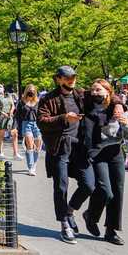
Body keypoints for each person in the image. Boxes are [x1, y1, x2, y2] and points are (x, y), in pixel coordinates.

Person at [38, 66, 96, 244]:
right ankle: (64, 223)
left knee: (88, 185)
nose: (72, 80)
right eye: (68, 77)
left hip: (80, 148)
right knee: (61, 187)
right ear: (59, 79)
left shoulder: (81, 94)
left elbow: (105, 92)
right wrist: (64, 118)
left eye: (74, 77)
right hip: (60, 148)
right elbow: (41, 121)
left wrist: (118, 104)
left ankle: (70, 210)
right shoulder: (49, 98)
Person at [80, 79, 128, 245]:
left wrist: (125, 125)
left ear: (108, 91)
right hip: (97, 153)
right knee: (105, 190)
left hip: (115, 153)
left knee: (117, 192)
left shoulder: (118, 109)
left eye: (98, 90)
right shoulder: (88, 107)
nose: (95, 93)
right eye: (93, 90)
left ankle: (111, 231)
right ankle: (91, 216)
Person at [16, 84, 42, 176]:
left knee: (38, 146)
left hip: (37, 124)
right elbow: (18, 116)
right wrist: (17, 128)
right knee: (30, 146)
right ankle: (30, 167)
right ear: (26, 91)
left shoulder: (38, 101)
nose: (31, 92)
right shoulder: (21, 102)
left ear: (35, 91)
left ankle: (34, 164)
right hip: (26, 124)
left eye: (32, 90)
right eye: (29, 90)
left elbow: (42, 114)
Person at [0, 84, 21, 161]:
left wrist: (11, 111)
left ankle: (15, 153)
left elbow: (13, 105)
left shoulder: (8, 95)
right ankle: (0, 152)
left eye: (1, 87)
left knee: (14, 133)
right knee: (1, 134)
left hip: (10, 116)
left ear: (4, 88)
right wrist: (2, 113)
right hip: (1, 117)